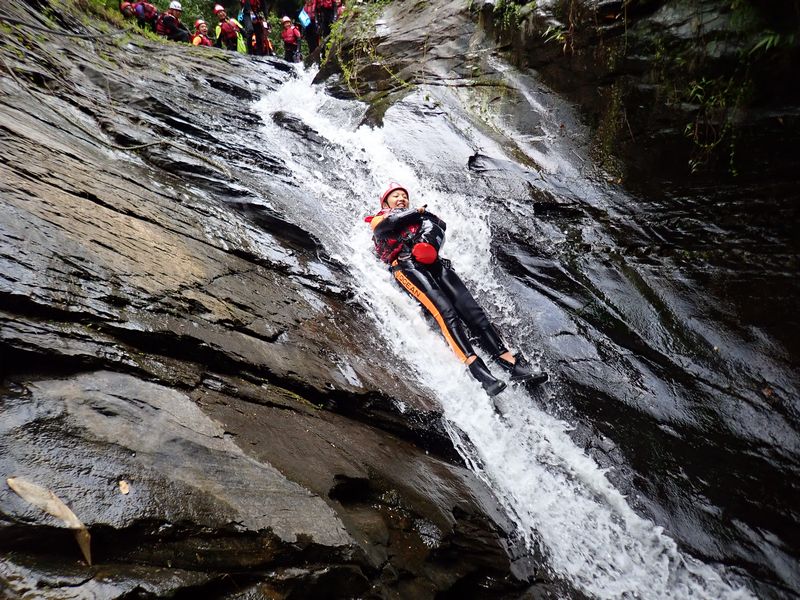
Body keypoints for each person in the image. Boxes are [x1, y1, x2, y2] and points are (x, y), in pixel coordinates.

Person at [366, 183, 548, 396]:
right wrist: (417, 212)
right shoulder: (381, 217)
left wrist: (426, 230)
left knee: (472, 311)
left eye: (404, 196)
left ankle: (510, 362)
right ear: (385, 202)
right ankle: (478, 371)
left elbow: (437, 228)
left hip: (434, 263)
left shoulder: (424, 219)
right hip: (406, 266)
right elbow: (384, 226)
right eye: (395, 196)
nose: (401, 198)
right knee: (446, 314)